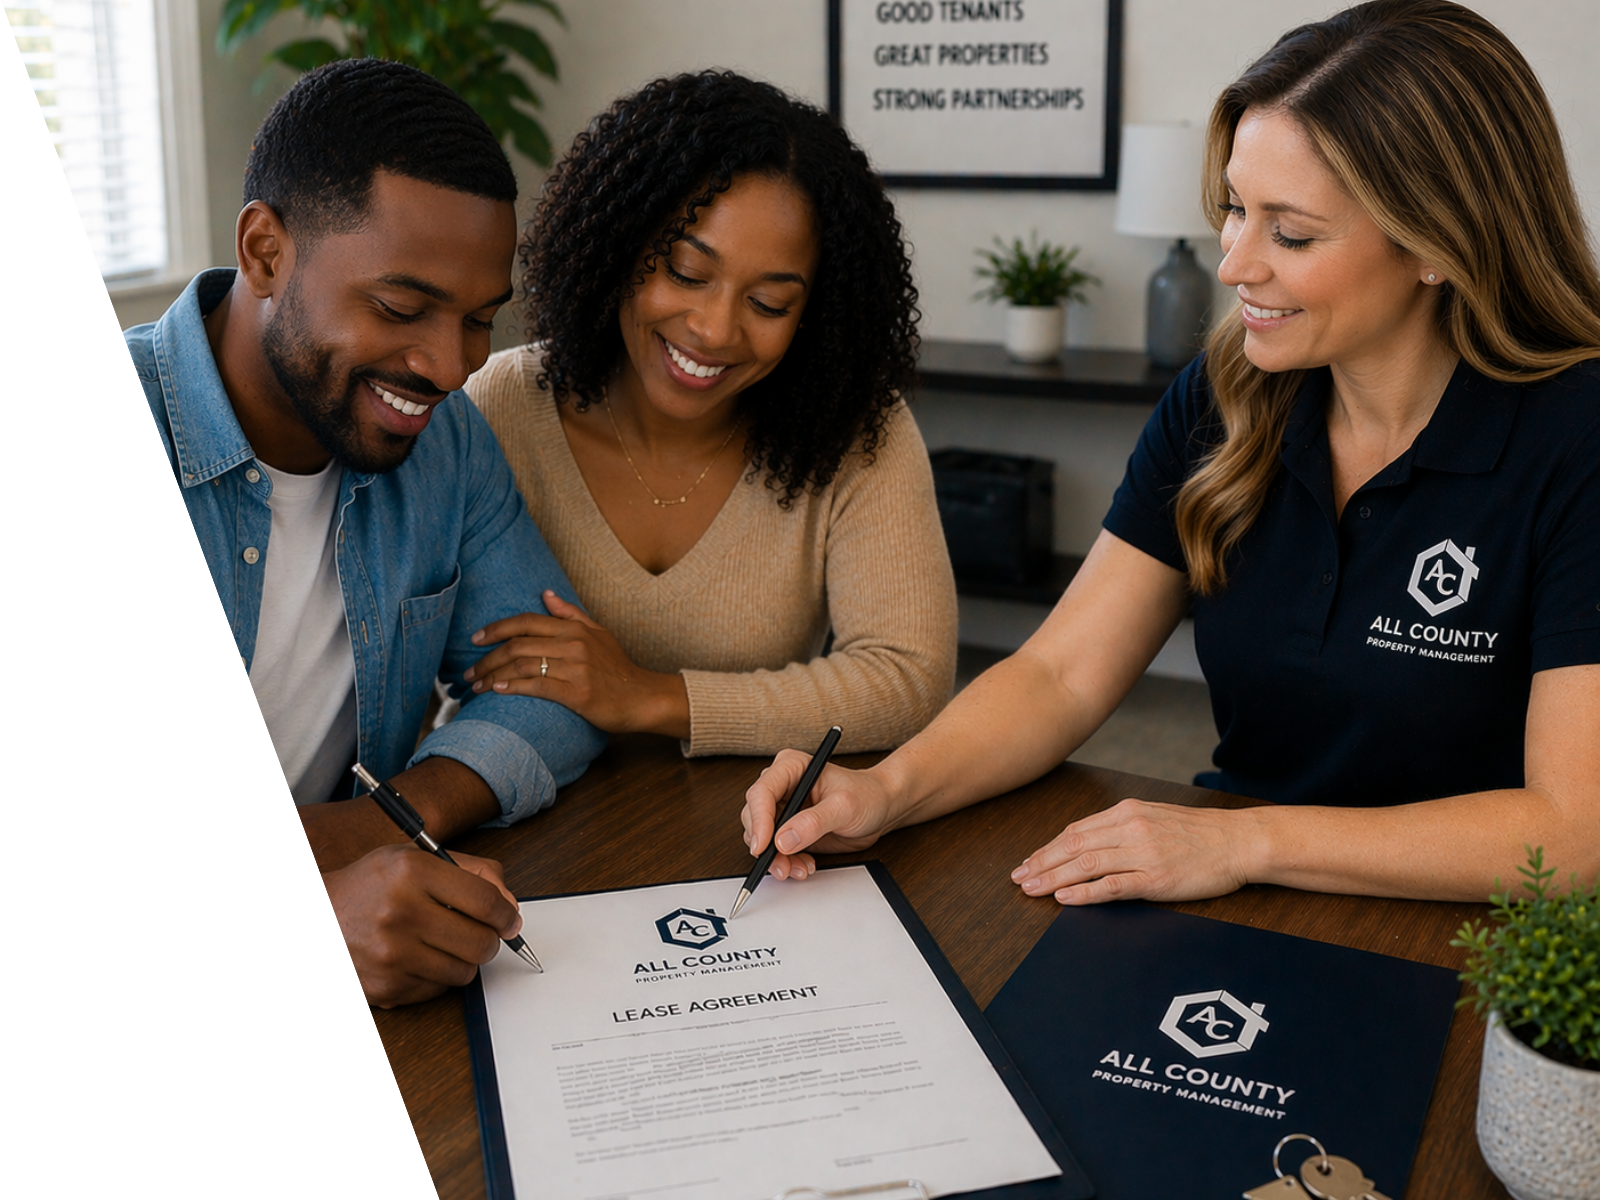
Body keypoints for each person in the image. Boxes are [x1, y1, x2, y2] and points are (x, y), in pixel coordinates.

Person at [741, 0, 1600, 899]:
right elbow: (1061, 674)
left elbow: (1573, 834)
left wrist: (1244, 843)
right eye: (1235, 209)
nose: (1234, 263)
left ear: (1437, 244)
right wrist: (888, 790)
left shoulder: (1576, 442)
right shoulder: (1225, 396)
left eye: (1290, 232)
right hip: (1237, 892)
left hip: (1474, 931)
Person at [125, 60, 605, 1006]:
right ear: (266, 251)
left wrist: (389, 819)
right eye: (400, 308)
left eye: (479, 320)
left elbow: (555, 691)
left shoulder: (446, 444)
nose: (449, 367)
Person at [460, 71, 957, 757]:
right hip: (511, 794)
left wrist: (650, 697)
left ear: (814, 315)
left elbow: (906, 677)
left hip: (743, 812)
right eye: (687, 274)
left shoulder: (853, 430)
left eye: (769, 304)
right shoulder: (498, 404)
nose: (715, 330)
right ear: (619, 243)